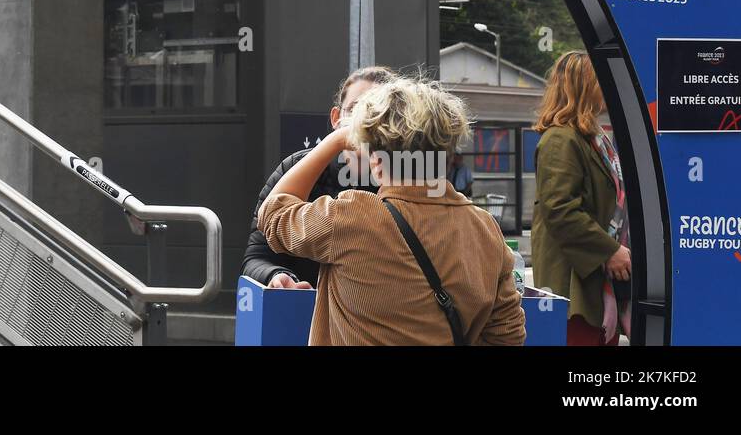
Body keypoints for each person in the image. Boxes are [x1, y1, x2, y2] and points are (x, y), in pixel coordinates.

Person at [258, 78, 525, 345]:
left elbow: (273, 213)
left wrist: (334, 142)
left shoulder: (353, 217)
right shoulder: (485, 229)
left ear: (376, 161)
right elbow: (507, 335)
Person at [241, 66, 395, 290]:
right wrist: (278, 276)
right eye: (355, 109)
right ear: (336, 117)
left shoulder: (405, 177)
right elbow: (257, 255)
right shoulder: (296, 167)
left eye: (377, 113)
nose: (364, 122)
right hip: (304, 310)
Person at [531, 50, 630, 346]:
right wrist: (608, 251)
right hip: (574, 286)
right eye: (602, 80)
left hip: (595, 282)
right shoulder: (561, 139)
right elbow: (560, 209)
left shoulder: (591, 138)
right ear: (584, 86)